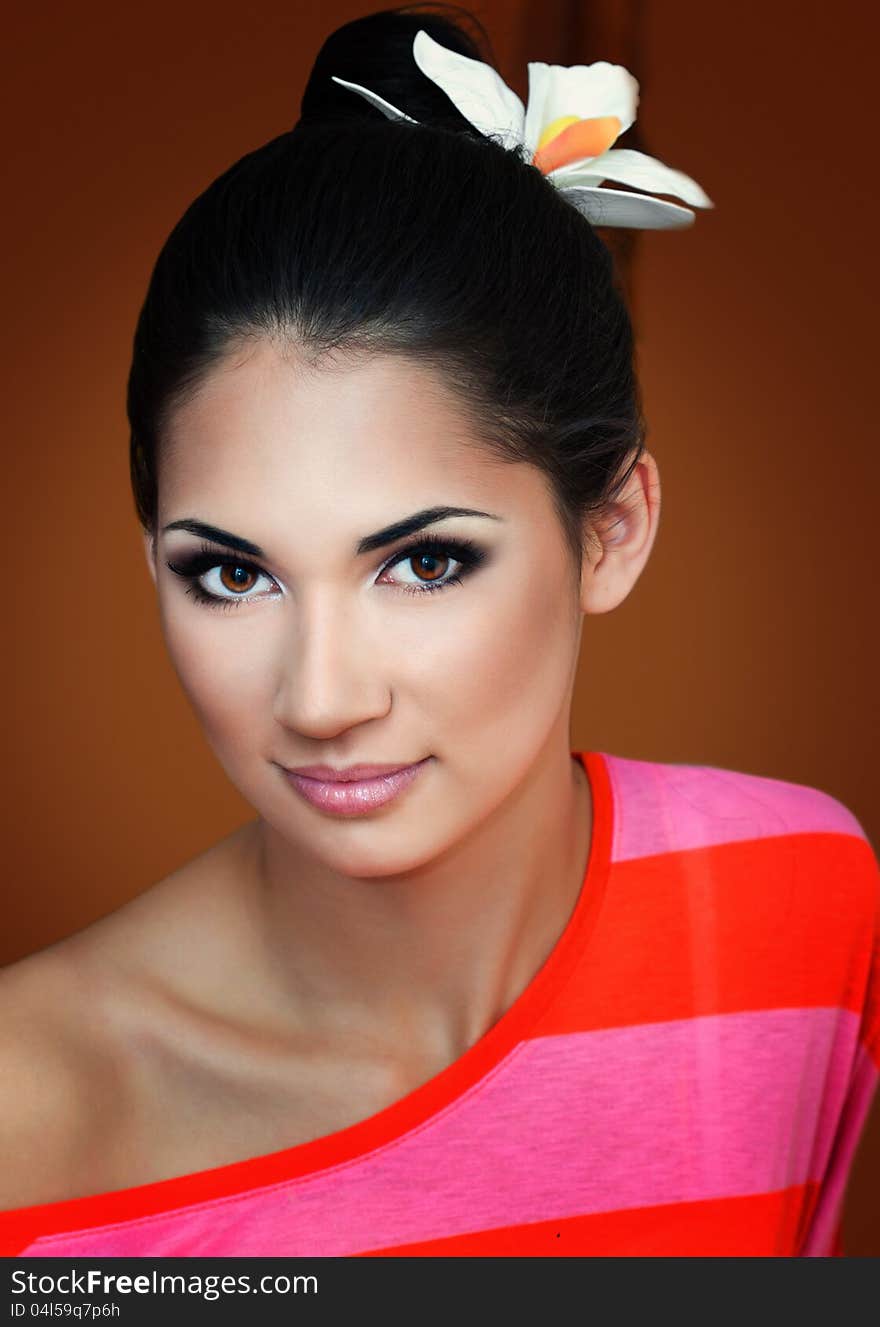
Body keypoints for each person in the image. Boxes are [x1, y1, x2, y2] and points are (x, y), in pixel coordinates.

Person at [1, 4, 877, 1258]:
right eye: (233, 575)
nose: (320, 697)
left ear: (612, 528)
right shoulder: (28, 1120)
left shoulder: (802, 901)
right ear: (152, 557)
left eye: (423, 560)